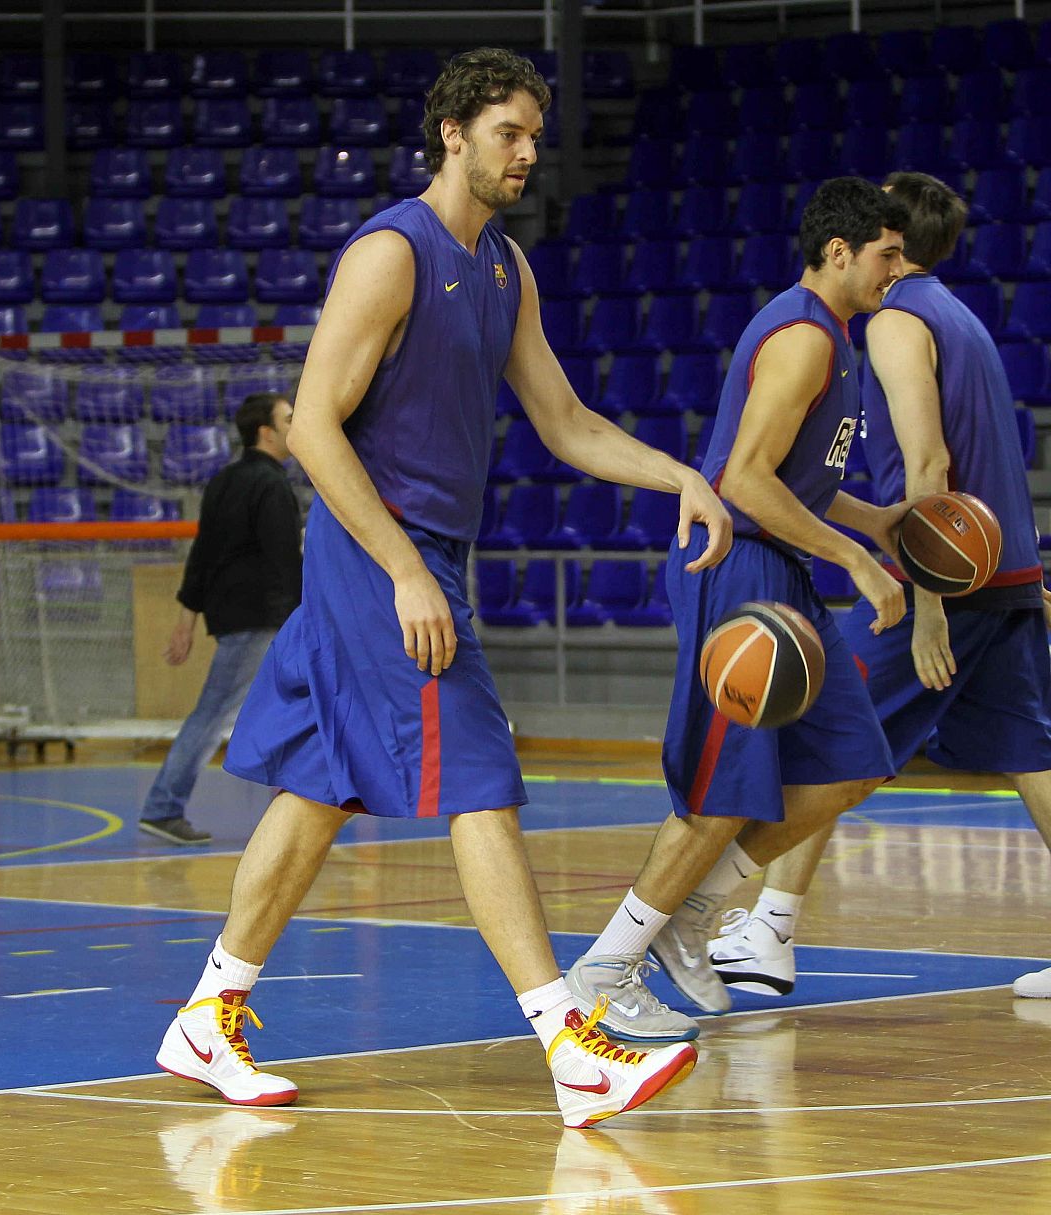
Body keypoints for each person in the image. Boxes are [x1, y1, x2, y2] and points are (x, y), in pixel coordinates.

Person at [152, 48, 733, 1129]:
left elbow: (563, 421)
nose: (527, 153)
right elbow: (313, 426)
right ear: (453, 134)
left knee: (320, 786)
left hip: (421, 554)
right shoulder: (391, 253)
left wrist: (679, 476)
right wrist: (405, 567)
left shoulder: (506, 267)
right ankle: (572, 1046)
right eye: (509, 132)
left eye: (535, 137)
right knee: (477, 773)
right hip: (381, 552)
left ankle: (208, 1011)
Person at [562, 177, 912, 1044]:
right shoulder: (802, 339)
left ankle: (696, 909)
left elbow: (796, 482)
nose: (898, 271)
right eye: (887, 254)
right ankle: (604, 968)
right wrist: (858, 559)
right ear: (840, 252)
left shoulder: (836, 340)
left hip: (778, 563)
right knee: (724, 787)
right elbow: (745, 481)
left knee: (852, 760)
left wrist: (876, 521)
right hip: (737, 565)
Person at [706, 172, 1051, 1003]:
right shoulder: (961, 315)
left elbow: (930, 464)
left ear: (890, 241)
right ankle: (769, 924)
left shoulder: (898, 320)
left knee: (828, 728)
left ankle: (757, 921)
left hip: (946, 583)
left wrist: (926, 601)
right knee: (1035, 756)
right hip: (1002, 570)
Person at [139, 391, 302, 846]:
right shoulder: (271, 486)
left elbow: (202, 556)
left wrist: (186, 620)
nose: (297, 424)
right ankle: (162, 807)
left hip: (236, 616)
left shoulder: (223, 481)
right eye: (289, 418)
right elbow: (283, 562)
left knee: (295, 709)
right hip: (264, 618)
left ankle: (305, 806)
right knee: (213, 714)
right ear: (266, 432)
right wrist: (301, 620)